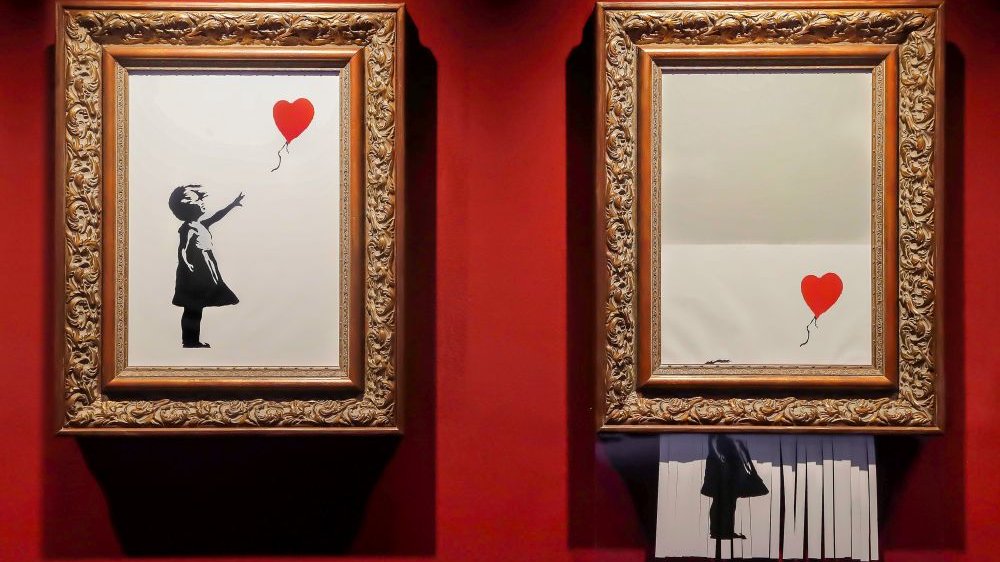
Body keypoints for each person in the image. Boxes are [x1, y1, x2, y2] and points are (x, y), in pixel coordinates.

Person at [168, 185, 244, 348]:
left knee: (196, 308)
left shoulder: (202, 224)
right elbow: (182, 248)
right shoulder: (187, 228)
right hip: (194, 270)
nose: (202, 203)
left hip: (206, 266)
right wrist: (187, 264)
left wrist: (233, 204)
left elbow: (217, 216)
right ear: (187, 206)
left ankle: (192, 340)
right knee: (192, 308)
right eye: (198, 200)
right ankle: (190, 341)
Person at [701, 435, 769, 541]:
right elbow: (713, 439)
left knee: (730, 500)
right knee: (720, 499)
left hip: (732, 464)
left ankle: (726, 531)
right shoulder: (718, 434)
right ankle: (716, 531)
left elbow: (738, 443)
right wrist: (719, 455)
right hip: (721, 465)